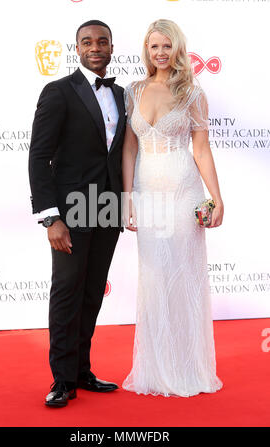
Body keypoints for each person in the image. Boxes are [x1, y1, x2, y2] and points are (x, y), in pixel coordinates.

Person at [121, 19, 224, 397]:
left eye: (167, 46)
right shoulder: (133, 91)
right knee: (153, 278)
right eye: (154, 47)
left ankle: (185, 367)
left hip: (182, 191)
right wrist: (127, 196)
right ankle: (156, 368)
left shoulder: (192, 94)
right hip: (147, 192)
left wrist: (216, 197)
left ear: (178, 48)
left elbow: (201, 149)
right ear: (146, 50)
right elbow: (130, 147)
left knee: (182, 276)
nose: (160, 53)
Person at [28, 20, 126, 407]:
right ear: (78, 48)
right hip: (70, 211)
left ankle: (82, 371)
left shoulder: (120, 94)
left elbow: (119, 154)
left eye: (102, 41)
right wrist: (51, 217)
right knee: (67, 293)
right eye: (88, 41)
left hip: (108, 209)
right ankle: (61, 380)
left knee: (90, 295)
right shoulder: (58, 91)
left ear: (112, 47)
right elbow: (39, 156)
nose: (96, 47)